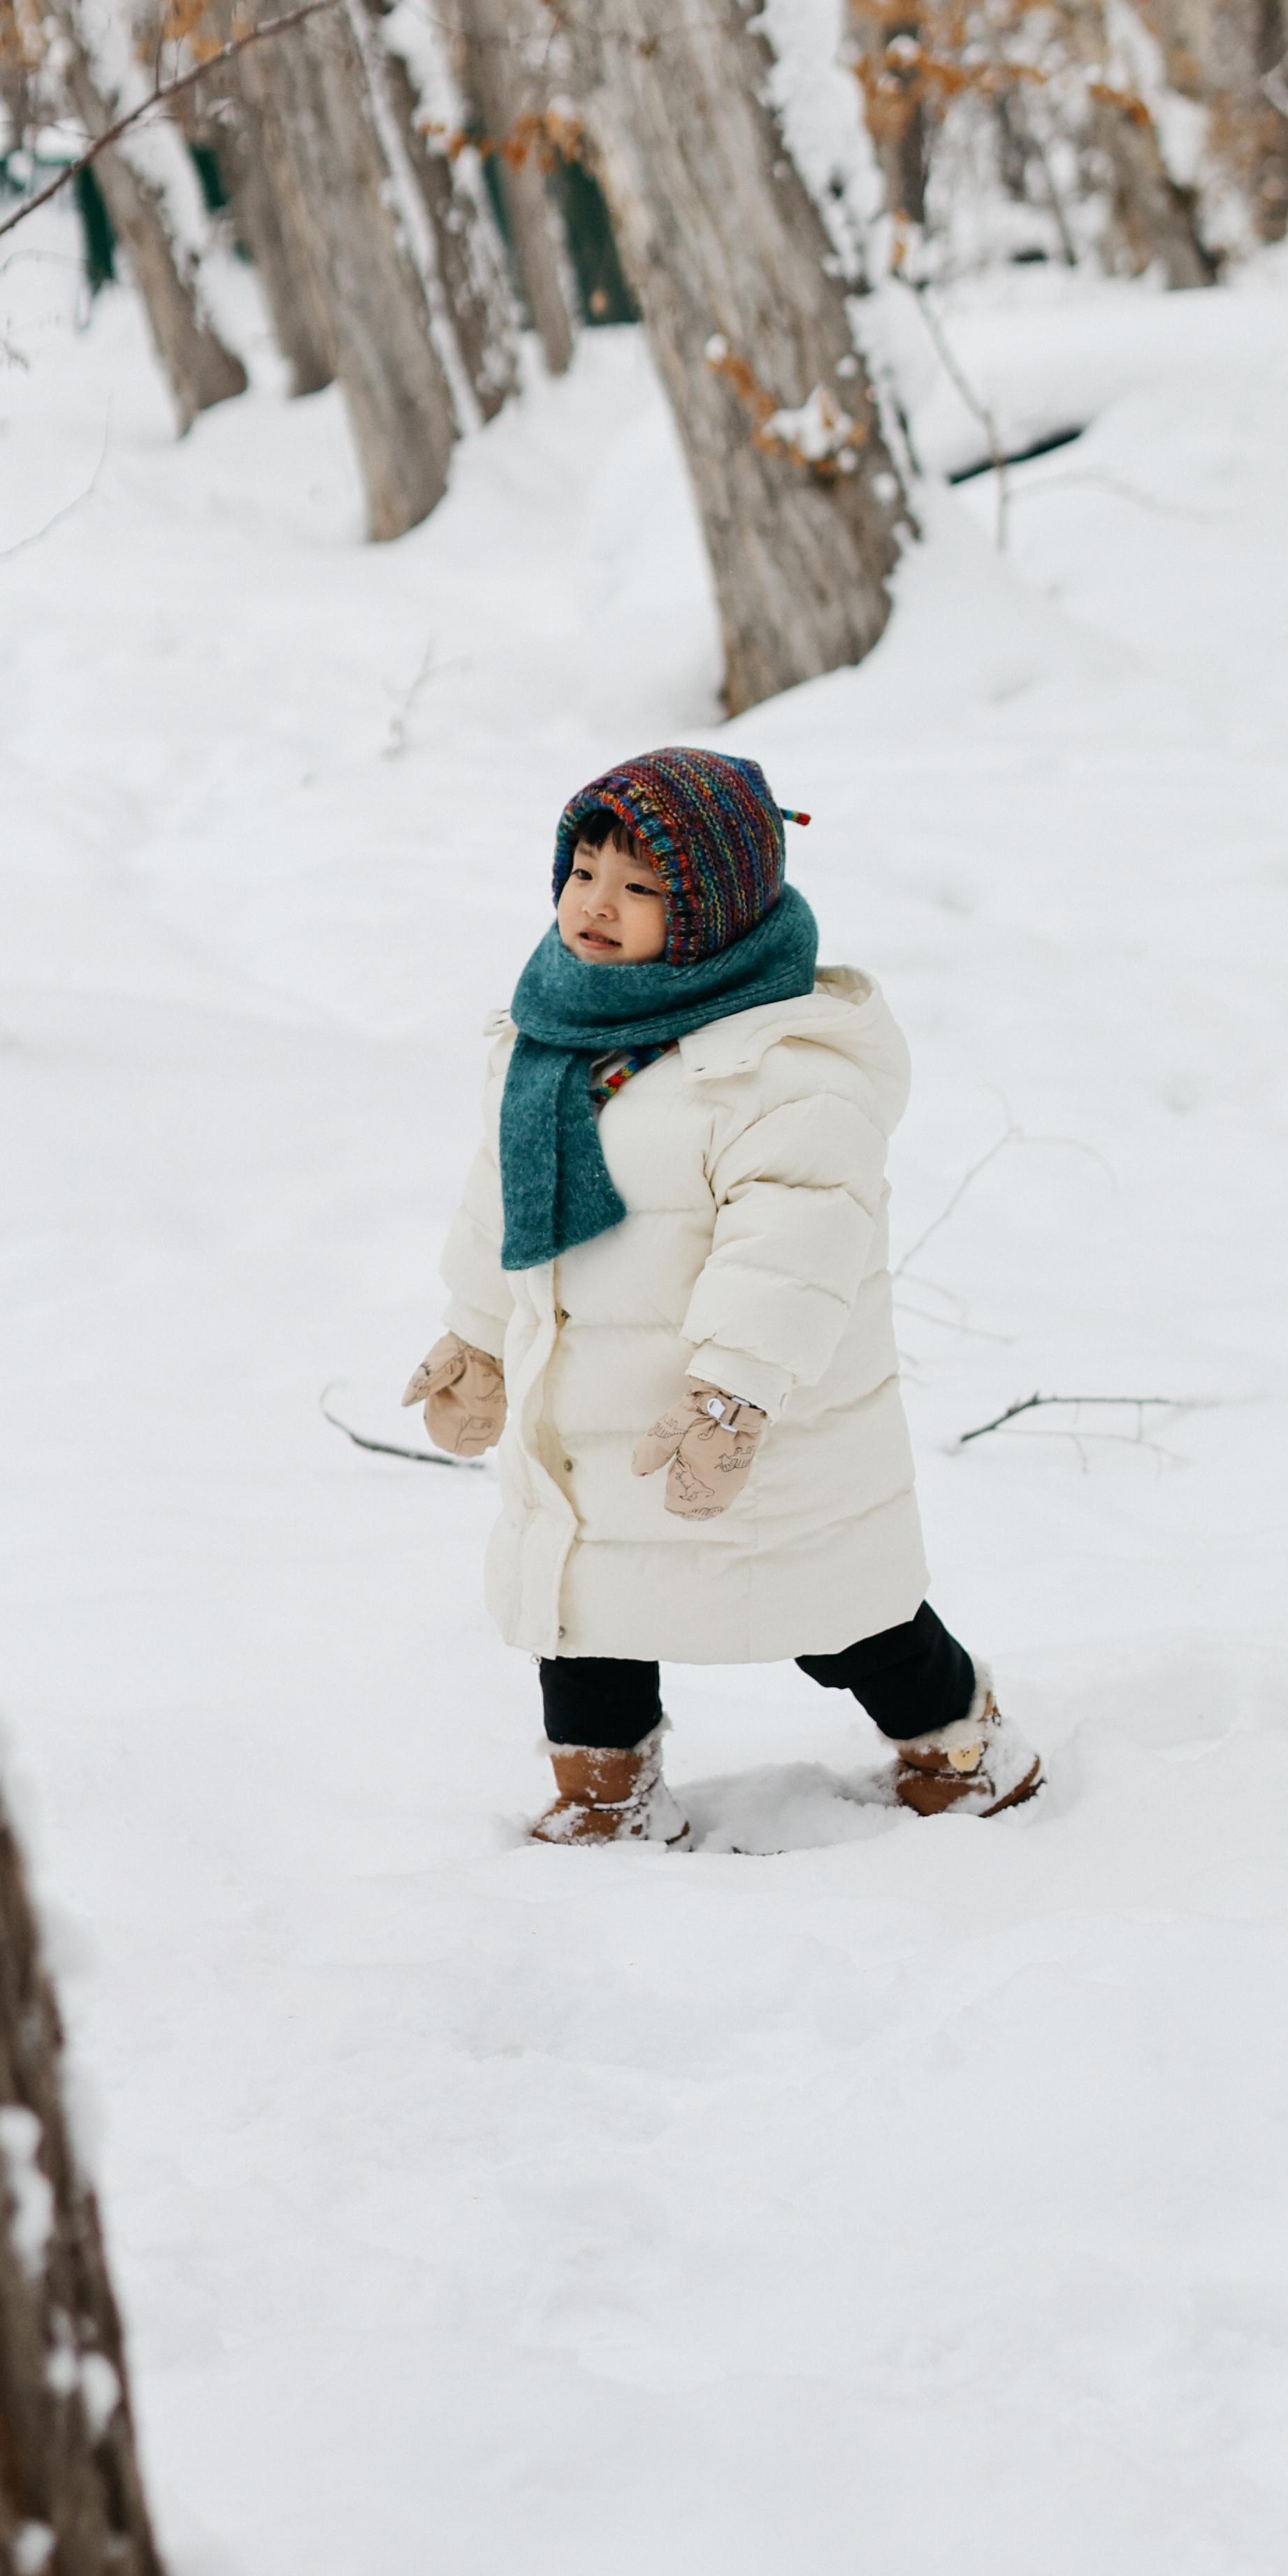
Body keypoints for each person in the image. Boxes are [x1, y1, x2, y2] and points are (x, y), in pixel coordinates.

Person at [407, 745, 1041, 1847]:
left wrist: (735, 1391)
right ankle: (604, 1796)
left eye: (641, 888)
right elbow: (496, 1206)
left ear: (710, 914)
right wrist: (477, 1341)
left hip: (749, 1422)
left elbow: (794, 1247)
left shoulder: (783, 1070)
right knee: (584, 1606)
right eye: (584, 872)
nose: (598, 906)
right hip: (587, 1411)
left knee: (840, 1613)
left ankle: (960, 1739)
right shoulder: (553, 1034)